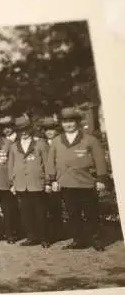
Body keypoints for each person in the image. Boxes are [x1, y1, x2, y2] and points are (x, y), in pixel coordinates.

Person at [47, 107, 107, 251]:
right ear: (61, 124)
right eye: (65, 122)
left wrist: (101, 179)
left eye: (71, 121)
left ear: (77, 122)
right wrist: (53, 180)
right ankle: (78, 240)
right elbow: (51, 161)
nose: (68, 125)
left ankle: (95, 239)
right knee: (73, 213)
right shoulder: (56, 141)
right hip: (67, 183)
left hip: (86, 182)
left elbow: (100, 160)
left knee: (91, 213)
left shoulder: (89, 139)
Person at [8, 116, 51, 248]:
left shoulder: (40, 144)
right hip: (21, 184)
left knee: (40, 212)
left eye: (26, 129)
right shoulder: (14, 146)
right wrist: (12, 183)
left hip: (37, 183)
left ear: (30, 129)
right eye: (21, 130)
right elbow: (11, 165)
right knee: (26, 213)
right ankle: (31, 237)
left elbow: (47, 163)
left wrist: (48, 182)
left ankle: (44, 238)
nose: (24, 132)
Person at [38, 115, 64, 242]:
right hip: (45, 180)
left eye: (52, 129)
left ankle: (61, 232)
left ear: (57, 130)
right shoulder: (41, 143)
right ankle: (50, 233)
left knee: (58, 206)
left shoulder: (61, 142)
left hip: (59, 178)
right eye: (47, 129)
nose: (49, 132)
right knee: (47, 207)